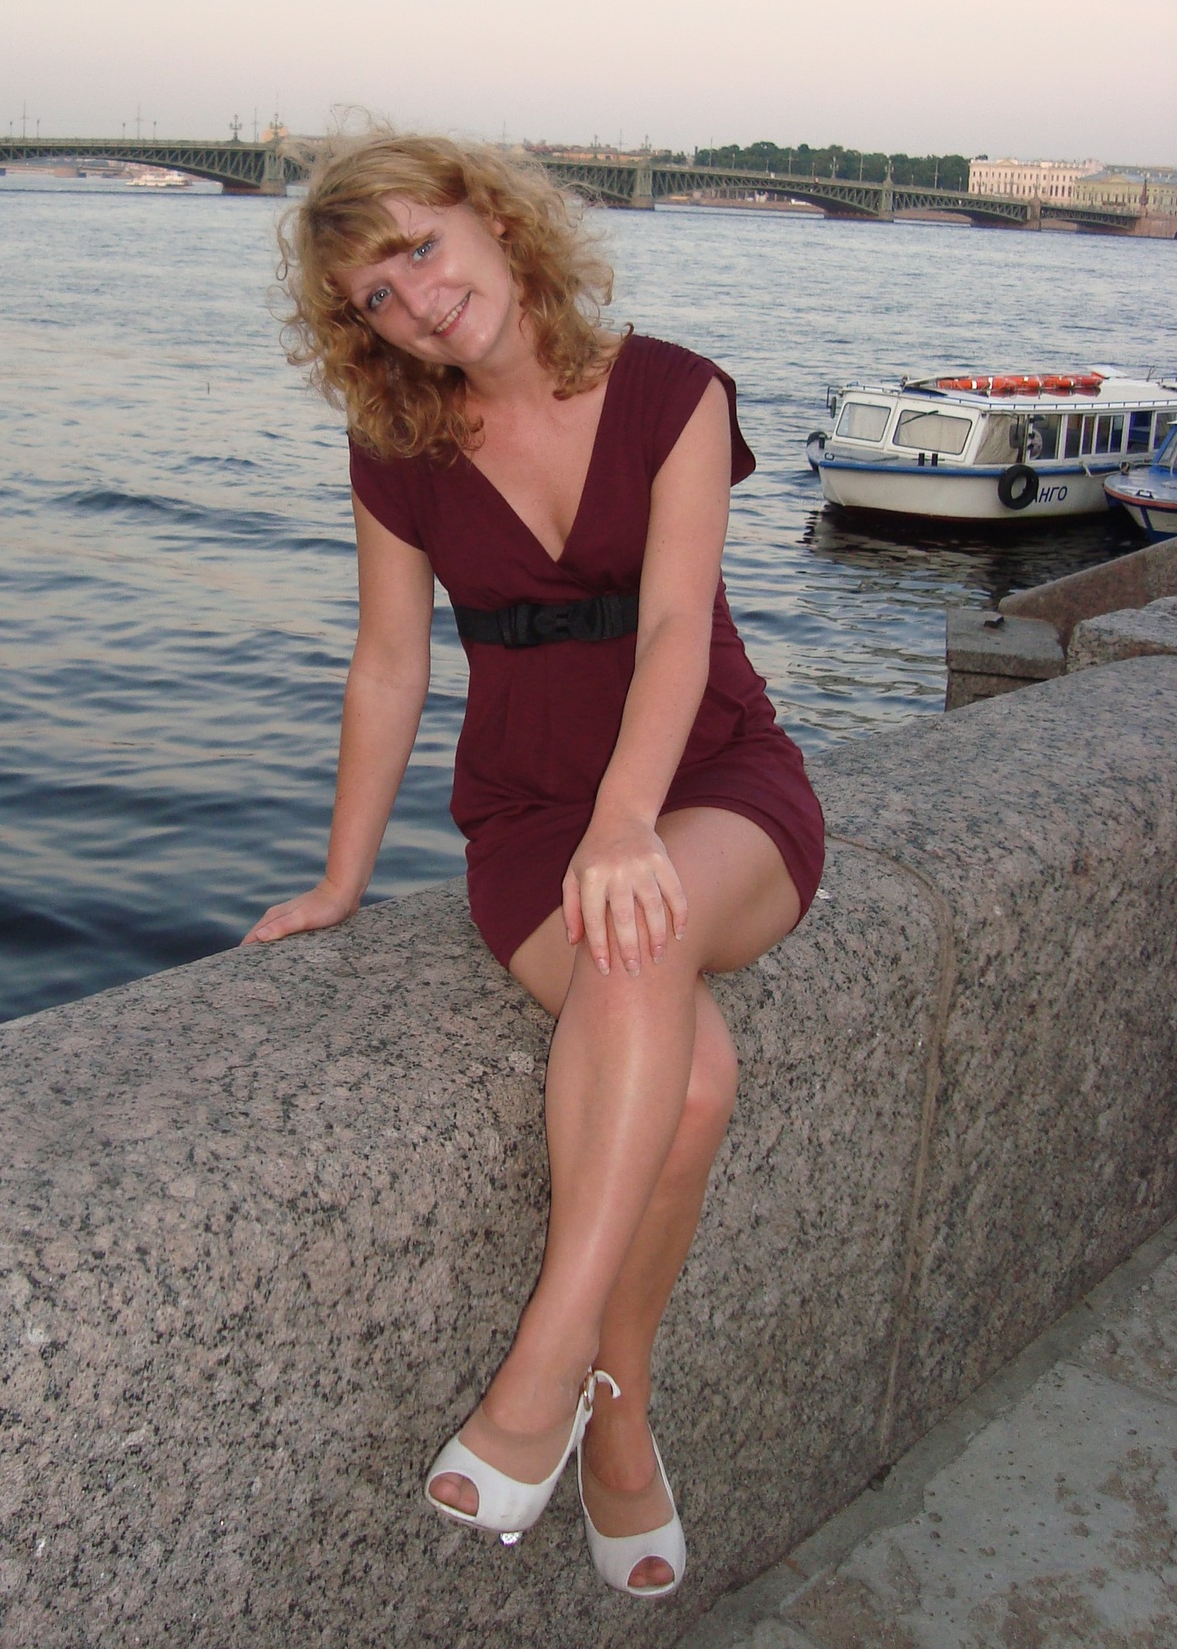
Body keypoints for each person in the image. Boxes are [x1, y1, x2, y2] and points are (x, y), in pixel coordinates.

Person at [243, 131, 824, 1599]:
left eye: (420, 248)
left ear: (493, 221)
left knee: (647, 927)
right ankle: (619, 1413)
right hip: (525, 819)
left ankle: (546, 1363)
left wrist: (629, 822)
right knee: (691, 1081)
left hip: (715, 782)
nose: (417, 300)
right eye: (376, 296)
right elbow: (389, 666)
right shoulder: (399, 451)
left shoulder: (675, 392)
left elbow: (678, 626)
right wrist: (341, 880)